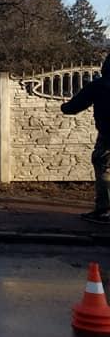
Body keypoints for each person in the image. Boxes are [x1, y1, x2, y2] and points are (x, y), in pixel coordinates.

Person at [61, 51, 110, 224]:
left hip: (107, 135)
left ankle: (105, 210)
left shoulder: (99, 85)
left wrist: (64, 107)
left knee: (104, 167)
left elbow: (74, 106)